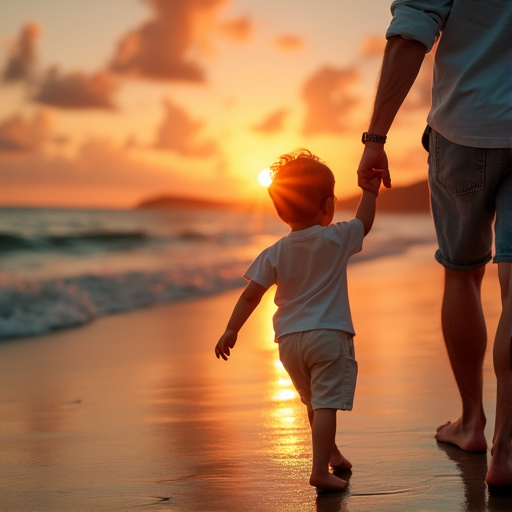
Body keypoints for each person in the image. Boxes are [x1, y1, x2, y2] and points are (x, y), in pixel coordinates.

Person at [357, 0, 512, 490]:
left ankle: (472, 424)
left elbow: (409, 35)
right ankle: (507, 451)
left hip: (465, 128)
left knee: (463, 274)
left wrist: (374, 137)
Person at [215, 149, 382, 493]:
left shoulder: (273, 251)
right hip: (328, 337)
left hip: (289, 343)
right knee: (325, 404)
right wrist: (370, 192)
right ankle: (319, 470)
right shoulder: (335, 238)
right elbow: (364, 223)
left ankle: (330, 453)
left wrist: (232, 329)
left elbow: (251, 296)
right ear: (327, 205)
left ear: (280, 210)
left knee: (313, 403)